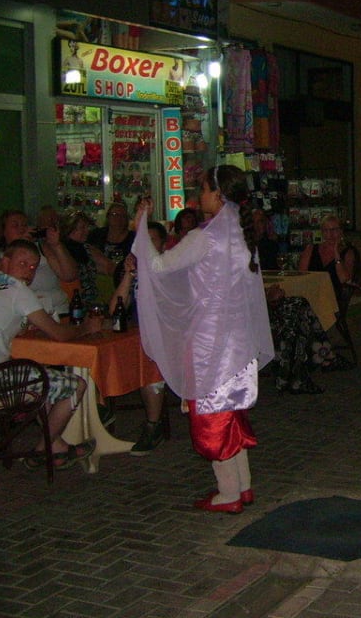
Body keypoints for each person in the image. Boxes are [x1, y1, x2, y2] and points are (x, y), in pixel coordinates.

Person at [133, 165, 273, 514]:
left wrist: (142, 228)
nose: (200, 196)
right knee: (231, 413)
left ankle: (227, 493)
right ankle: (242, 486)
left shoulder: (204, 238)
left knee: (212, 415)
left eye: (204, 189)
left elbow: (160, 267)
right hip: (238, 340)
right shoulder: (240, 235)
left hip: (211, 342)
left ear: (218, 194)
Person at [0, 239, 103, 469]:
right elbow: (59, 334)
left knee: (34, 372)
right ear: (5, 261)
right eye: (23, 263)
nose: (28, 272)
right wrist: (87, 328)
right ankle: (42, 449)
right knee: (76, 385)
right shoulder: (16, 289)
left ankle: (56, 446)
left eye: (33, 267)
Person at [106, 221, 169, 455]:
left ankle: (153, 425)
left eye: (152, 240)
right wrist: (129, 276)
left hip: (164, 338)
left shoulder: (170, 271)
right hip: (136, 335)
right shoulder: (134, 273)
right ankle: (99, 412)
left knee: (150, 360)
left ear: (162, 246)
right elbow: (115, 310)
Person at [0, 209, 78, 317]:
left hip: (57, 309)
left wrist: (56, 245)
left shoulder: (43, 248)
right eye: (15, 226)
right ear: (3, 232)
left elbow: (69, 276)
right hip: (24, 314)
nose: (22, 229)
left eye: (25, 225)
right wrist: (17, 247)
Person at [298, 213, 357, 306]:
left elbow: (344, 279)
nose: (330, 234)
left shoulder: (348, 252)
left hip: (334, 298)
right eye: (326, 230)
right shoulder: (311, 249)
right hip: (311, 294)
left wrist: (336, 254)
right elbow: (301, 275)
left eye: (334, 230)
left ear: (341, 231)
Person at [252, 207, 280, 272]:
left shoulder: (272, 246)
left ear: (265, 224)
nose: (256, 226)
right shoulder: (243, 246)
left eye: (260, 222)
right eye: (254, 222)